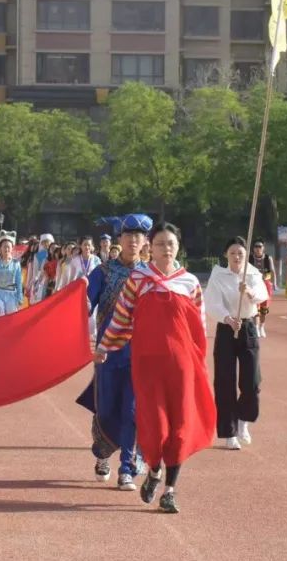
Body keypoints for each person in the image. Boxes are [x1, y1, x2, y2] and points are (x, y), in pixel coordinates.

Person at [95, 222, 213, 514]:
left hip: (182, 366)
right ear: (151, 247)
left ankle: (170, 491)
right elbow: (122, 318)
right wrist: (105, 346)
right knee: (154, 424)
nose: (166, 249)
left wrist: (199, 362)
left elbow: (199, 328)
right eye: (160, 244)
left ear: (178, 246)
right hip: (147, 364)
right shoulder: (138, 279)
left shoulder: (190, 283)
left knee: (180, 424)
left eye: (171, 243)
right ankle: (154, 469)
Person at [76, 213, 152, 492]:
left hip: (139, 354)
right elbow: (85, 305)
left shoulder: (149, 275)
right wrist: (81, 300)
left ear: (145, 241)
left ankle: (127, 468)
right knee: (106, 409)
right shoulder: (104, 272)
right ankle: (103, 453)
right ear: (120, 239)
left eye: (138, 236)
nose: (133, 240)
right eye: (128, 235)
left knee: (132, 410)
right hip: (107, 354)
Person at [204, 236, 268, 451]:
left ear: (246, 254)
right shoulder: (218, 275)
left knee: (252, 381)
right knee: (224, 381)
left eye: (240, 253)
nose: (237, 257)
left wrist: (249, 292)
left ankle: (243, 420)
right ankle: (229, 432)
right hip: (227, 329)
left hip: (248, 327)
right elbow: (212, 303)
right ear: (226, 255)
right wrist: (228, 319)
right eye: (232, 253)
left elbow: (262, 295)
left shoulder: (253, 274)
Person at [0, 233, 23, 317]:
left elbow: (19, 282)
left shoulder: (16, 263)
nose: (6, 249)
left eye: (8, 247)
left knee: (11, 318)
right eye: (4, 247)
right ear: (0, 248)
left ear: (12, 248)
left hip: (11, 294)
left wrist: (20, 297)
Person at [249, 240, 275, 337]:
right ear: (253, 248)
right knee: (256, 307)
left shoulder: (268, 258)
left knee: (264, 307)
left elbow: (272, 271)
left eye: (260, 246)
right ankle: (255, 327)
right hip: (254, 284)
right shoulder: (250, 258)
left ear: (263, 248)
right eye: (256, 246)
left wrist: (274, 283)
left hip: (265, 284)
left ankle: (261, 326)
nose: (258, 248)